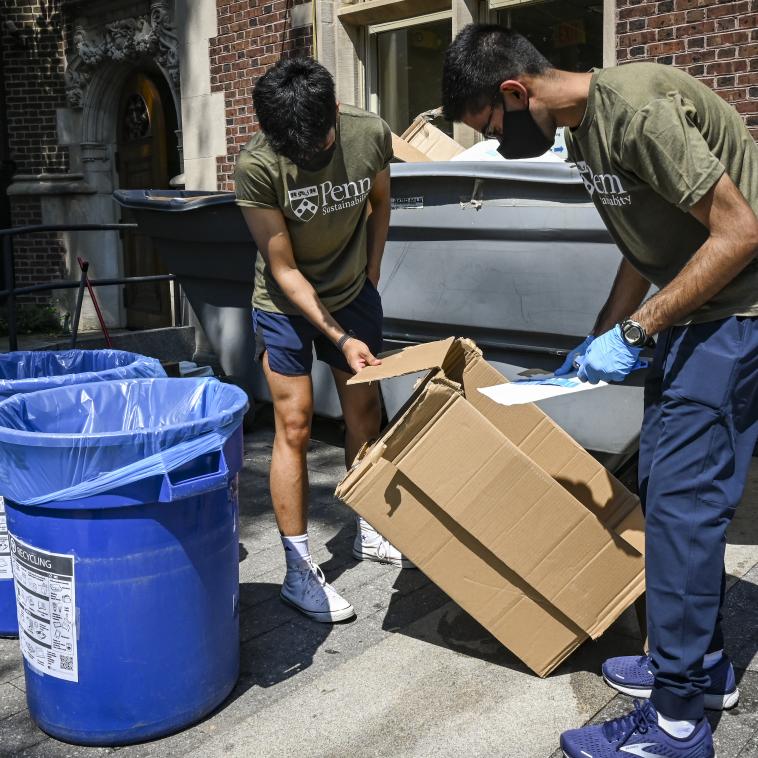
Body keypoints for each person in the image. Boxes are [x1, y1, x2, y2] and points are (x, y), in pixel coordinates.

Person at [442, 23, 758, 758]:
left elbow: (740, 232)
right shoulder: (582, 131)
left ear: (515, 91)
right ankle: (700, 667)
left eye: (488, 123)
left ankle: (678, 724)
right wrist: (599, 336)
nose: (492, 140)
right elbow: (642, 246)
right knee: (666, 488)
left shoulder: (635, 108)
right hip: (691, 317)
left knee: (682, 509)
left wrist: (638, 333)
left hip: (735, 316)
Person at [235, 57, 413, 625]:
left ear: (335, 110)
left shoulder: (368, 133)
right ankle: (298, 570)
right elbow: (283, 268)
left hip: (351, 287)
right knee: (296, 425)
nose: (308, 156)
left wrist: (373, 270)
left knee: (365, 409)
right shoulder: (258, 165)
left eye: (318, 144)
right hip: (286, 305)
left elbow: (381, 201)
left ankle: (369, 527)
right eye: (296, 150)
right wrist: (338, 334)